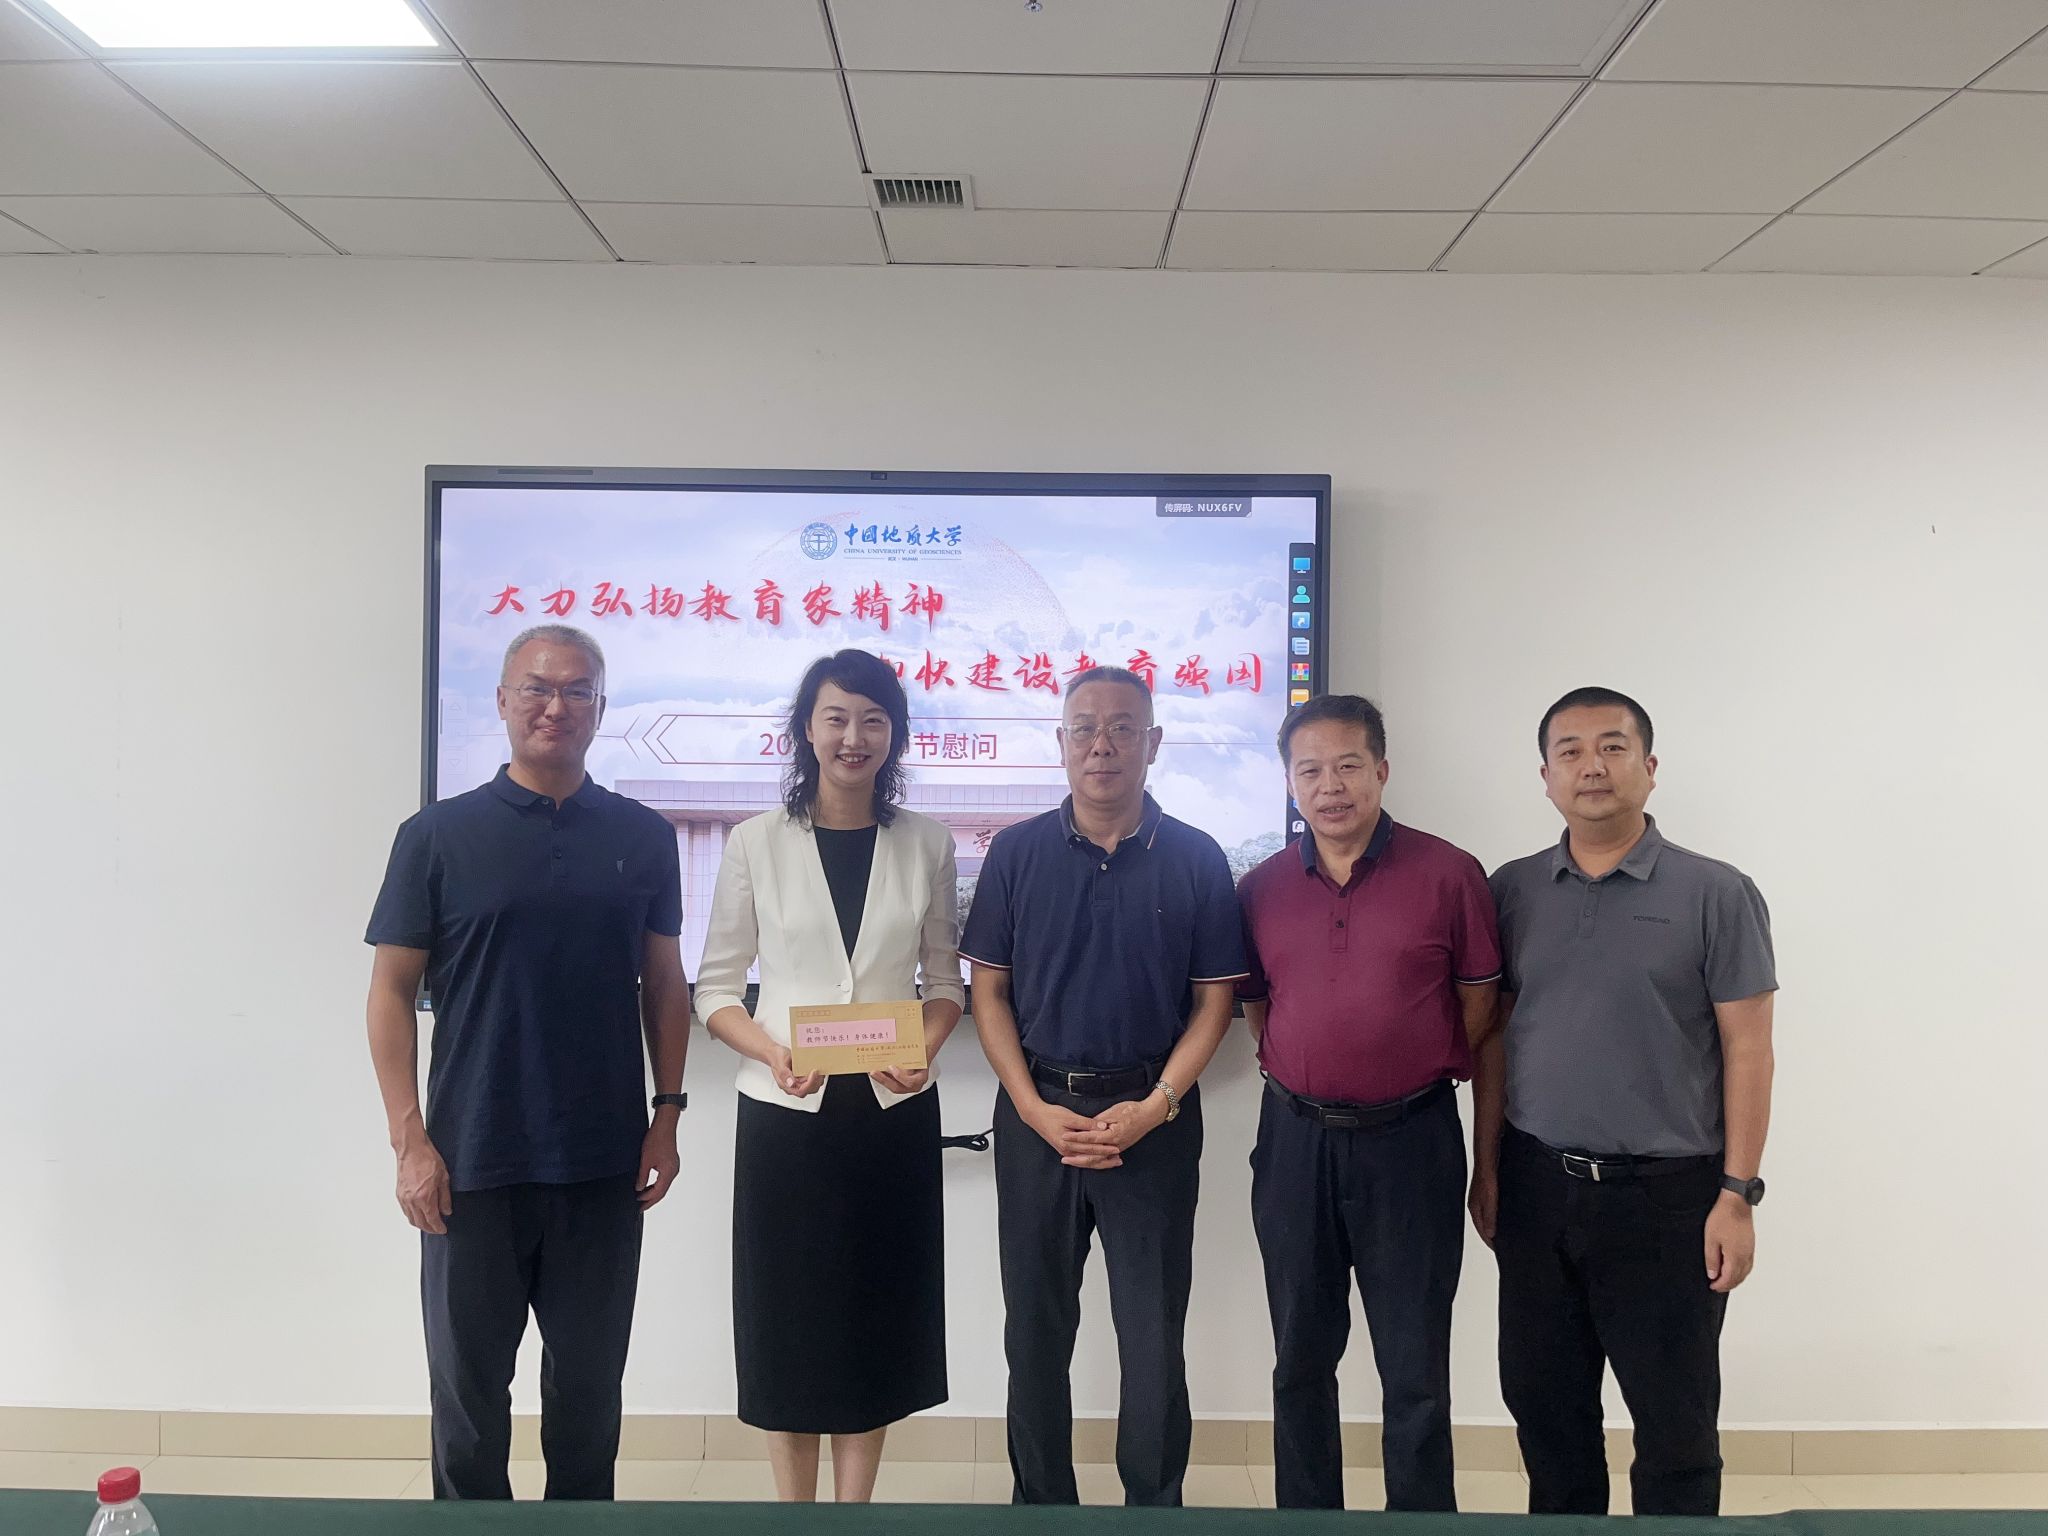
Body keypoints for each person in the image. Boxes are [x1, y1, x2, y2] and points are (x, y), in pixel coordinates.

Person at [364, 624, 691, 1500]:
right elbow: (390, 990)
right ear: (504, 700)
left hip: (603, 1162)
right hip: (470, 1161)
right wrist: (409, 1141)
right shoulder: (435, 836)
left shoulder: (642, 836)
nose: (557, 706)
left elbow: (665, 983)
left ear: (601, 710)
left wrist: (666, 1114)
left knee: (588, 1401)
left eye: (578, 690)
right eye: (538, 688)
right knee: (468, 1403)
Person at [1477, 686, 1776, 1518]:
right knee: (1546, 1412)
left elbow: (1749, 1050)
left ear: (1649, 767)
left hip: (1668, 1198)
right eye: (1569, 751)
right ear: (1545, 777)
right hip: (1538, 1187)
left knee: (1676, 1427)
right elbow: (1494, 1038)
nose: (1592, 767)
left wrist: (1737, 1194)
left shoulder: (1716, 893)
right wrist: (1487, 1167)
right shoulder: (1513, 890)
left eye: (1612, 747)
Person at [960, 666, 1247, 1507]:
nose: (1102, 745)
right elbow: (988, 992)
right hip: (1037, 1118)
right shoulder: (1016, 853)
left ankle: (1153, 1510)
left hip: (1153, 1121)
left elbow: (1215, 1003)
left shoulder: (1196, 857)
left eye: (1123, 727)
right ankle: (1042, 1508)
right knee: (1035, 1330)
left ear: (1152, 743)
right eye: (1084, 728)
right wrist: (1031, 1107)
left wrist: (1156, 1106)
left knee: (1152, 1335)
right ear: (1061, 743)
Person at [693, 648, 965, 1503]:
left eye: (874, 720)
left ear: (895, 735)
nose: (855, 737)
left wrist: (924, 1045)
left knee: (874, 1317)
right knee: (788, 1321)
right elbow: (715, 989)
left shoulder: (927, 842)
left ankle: (855, 1516)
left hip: (890, 1115)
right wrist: (768, 1049)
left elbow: (945, 984)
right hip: (786, 1116)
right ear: (806, 730)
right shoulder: (755, 842)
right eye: (837, 718)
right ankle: (794, 1517)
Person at [1235, 694, 1500, 1512]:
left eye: (1349, 765)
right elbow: (1259, 1009)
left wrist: (1401, 1059)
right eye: (1310, 770)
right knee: (1299, 1359)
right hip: (1295, 1142)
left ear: (1381, 770)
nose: (1331, 786)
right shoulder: (1261, 888)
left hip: (1412, 1140)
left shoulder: (1449, 873)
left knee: (1415, 1364)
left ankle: (1419, 1524)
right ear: (1290, 782)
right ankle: (1307, 1522)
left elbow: (1480, 1007)